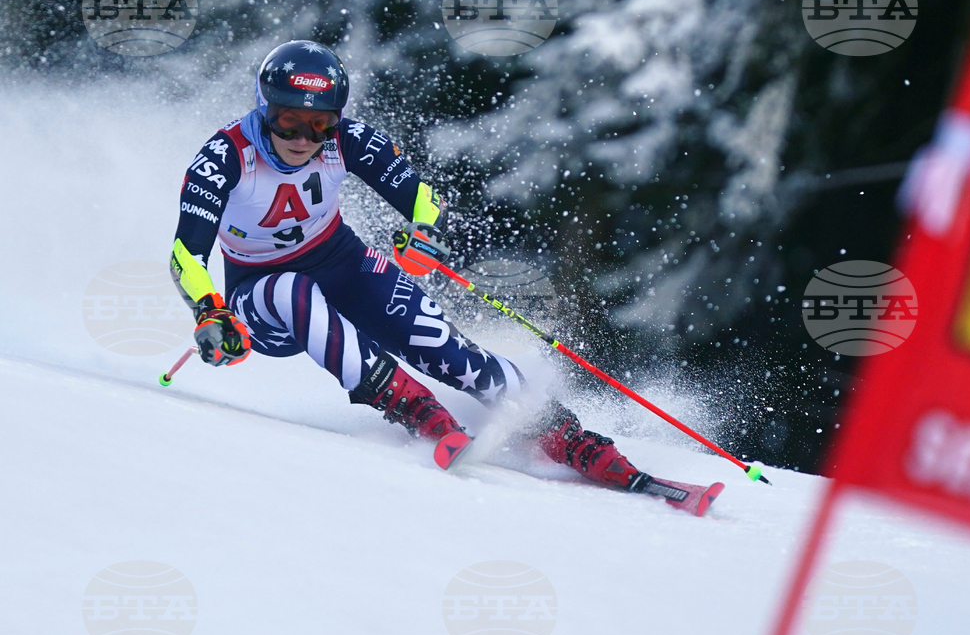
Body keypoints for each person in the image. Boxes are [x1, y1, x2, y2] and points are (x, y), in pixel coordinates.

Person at [169, 40, 657, 488]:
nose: (303, 136)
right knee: (290, 289)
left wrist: (423, 235)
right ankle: (417, 409)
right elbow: (185, 255)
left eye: (320, 123)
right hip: (261, 297)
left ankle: (565, 434)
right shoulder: (225, 156)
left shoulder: (349, 140)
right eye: (288, 119)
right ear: (264, 107)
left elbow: (424, 199)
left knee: (443, 347)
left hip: (342, 262)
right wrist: (210, 311)